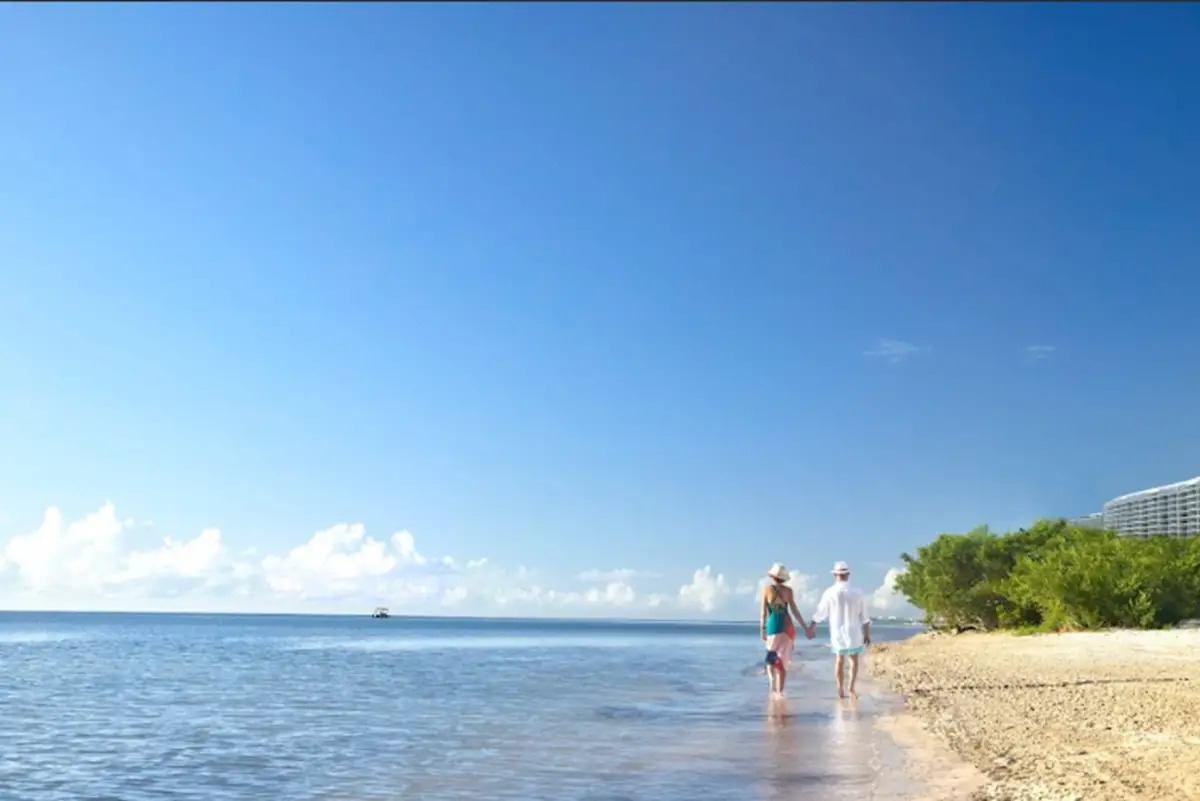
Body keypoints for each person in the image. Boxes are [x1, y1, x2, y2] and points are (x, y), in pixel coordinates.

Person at [803, 561, 871, 699]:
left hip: (837, 631)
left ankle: (840, 689)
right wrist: (867, 634)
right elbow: (864, 616)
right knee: (854, 660)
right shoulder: (858, 593)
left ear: (835, 575)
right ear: (848, 574)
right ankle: (851, 689)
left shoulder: (829, 592)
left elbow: (821, 612)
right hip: (854, 631)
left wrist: (812, 626)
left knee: (839, 660)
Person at [760, 563, 813, 699]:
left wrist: (762, 629)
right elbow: (795, 611)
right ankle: (780, 692)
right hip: (788, 627)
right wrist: (805, 628)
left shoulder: (766, 590)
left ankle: (773, 688)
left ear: (772, 576)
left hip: (773, 627)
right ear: (783, 578)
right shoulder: (788, 591)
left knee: (771, 659)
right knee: (783, 661)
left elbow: (763, 613)